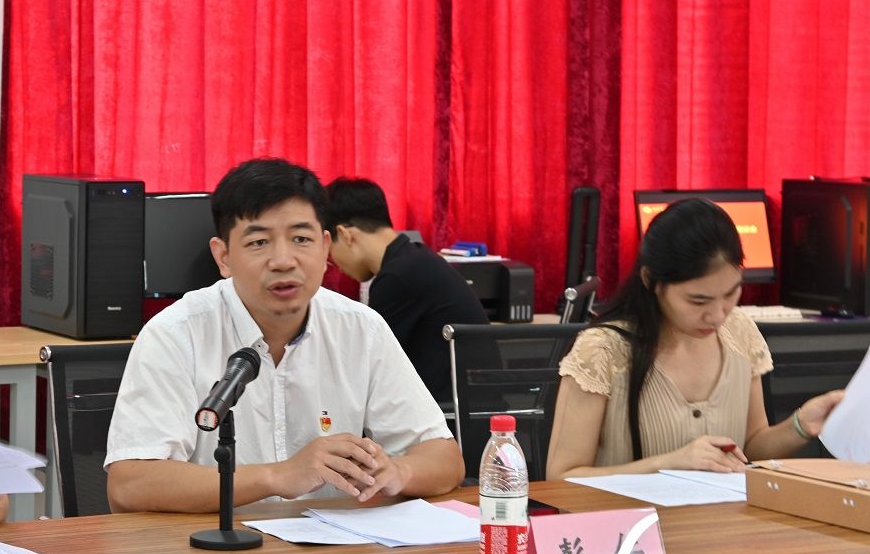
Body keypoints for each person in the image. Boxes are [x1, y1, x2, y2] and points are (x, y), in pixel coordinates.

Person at [105, 158, 464, 513]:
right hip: (212, 544)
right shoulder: (175, 333)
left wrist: (397, 472)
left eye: (301, 239)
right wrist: (278, 476)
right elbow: (130, 483)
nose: (283, 260)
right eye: (259, 242)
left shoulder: (361, 329)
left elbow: (444, 458)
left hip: (334, 546)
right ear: (223, 256)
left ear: (325, 248)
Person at [546, 199, 844, 478]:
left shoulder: (739, 332)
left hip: (723, 516)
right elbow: (561, 477)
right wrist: (668, 464)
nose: (717, 315)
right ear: (651, 281)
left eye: (730, 294)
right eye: (698, 301)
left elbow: (751, 448)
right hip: (632, 519)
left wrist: (800, 425)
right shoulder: (602, 350)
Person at [325, 177, 490, 403]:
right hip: (468, 403)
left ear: (345, 234)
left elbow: (363, 364)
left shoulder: (397, 277)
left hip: (451, 412)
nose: (337, 265)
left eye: (330, 250)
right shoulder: (414, 259)